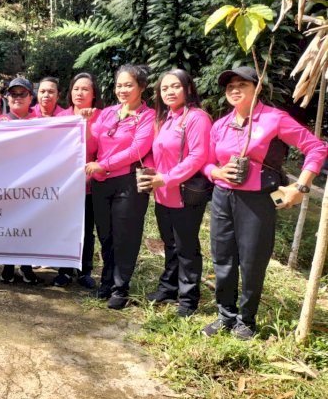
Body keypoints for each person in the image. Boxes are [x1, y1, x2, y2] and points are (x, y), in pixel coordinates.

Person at [202, 66, 327, 340]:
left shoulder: (273, 119)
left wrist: (300, 186)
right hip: (223, 198)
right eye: (230, 86)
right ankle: (225, 315)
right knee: (222, 257)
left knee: (252, 260)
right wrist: (216, 172)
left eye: (242, 85)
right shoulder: (220, 125)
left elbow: (316, 147)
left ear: (257, 88)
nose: (234, 90)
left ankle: (246, 320)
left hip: (257, 200)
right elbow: (207, 162)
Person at [137, 69, 211, 317]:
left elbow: (198, 156)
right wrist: (149, 170)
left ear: (188, 89)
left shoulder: (196, 118)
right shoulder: (165, 119)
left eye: (175, 86)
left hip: (184, 193)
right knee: (170, 244)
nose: (169, 91)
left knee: (186, 247)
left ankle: (189, 298)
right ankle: (168, 288)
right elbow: (154, 151)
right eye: (164, 87)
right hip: (162, 194)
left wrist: (166, 178)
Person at [86, 64, 154, 309]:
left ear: (141, 87)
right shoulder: (107, 113)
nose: (123, 89)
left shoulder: (148, 116)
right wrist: (84, 125)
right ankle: (106, 281)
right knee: (106, 235)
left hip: (128, 182)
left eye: (129, 85)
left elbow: (138, 149)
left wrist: (103, 164)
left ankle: (120, 287)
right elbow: (93, 140)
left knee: (126, 235)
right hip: (102, 182)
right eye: (119, 85)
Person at [53, 72, 104, 288]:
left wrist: (88, 124)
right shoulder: (61, 117)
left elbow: (103, 149)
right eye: (76, 88)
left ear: (93, 94)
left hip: (91, 186)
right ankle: (64, 270)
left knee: (87, 229)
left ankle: (84, 271)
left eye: (85, 89)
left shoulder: (102, 117)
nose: (80, 92)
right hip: (65, 187)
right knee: (65, 227)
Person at [0, 77, 42, 284]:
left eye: (23, 94)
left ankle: (27, 265)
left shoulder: (41, 122)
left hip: (32, 184)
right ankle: (8, 265)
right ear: (7, 97)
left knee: (29, 224)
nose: (18, 98)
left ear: (31, 97)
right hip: (6, 184)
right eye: (14, 94)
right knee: (8, 224)